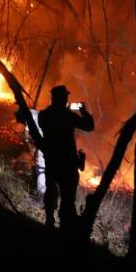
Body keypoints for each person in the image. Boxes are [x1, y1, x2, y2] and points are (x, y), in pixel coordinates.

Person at [38, 85, 94, 233]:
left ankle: (49, 221)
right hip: (68, 164)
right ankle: (65, 226)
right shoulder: (68, 116)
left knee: (51, 191)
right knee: (68, 198)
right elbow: (89, 126)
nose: (66, 100)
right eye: (65, 97)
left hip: (51, 161)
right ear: (62, 99)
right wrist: (83, 111)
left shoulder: (44, 115)